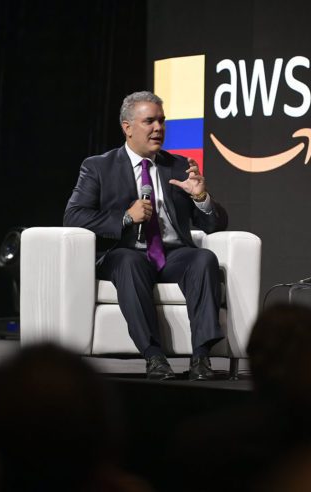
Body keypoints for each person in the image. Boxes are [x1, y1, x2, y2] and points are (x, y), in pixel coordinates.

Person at [64, 91, 228, 381]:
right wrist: (125, 217)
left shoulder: (178, 166)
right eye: (149, 121)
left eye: (162, 121)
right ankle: (154, 357)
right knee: (130, 262)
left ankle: (201, 357)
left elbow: (217, 224)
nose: (158, 128)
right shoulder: (98, 167)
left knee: (203, 258)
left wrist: (201, 197)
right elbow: (74, 216)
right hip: (122, 253)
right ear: (127, 127)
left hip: (171, 255)